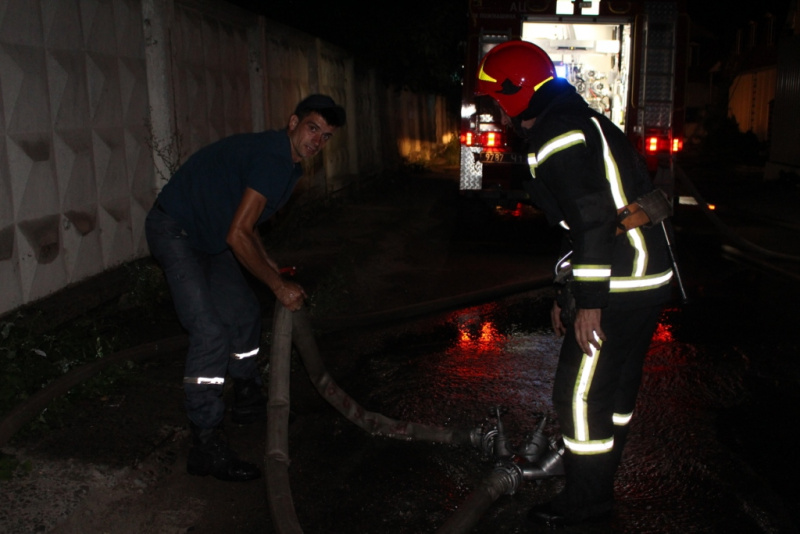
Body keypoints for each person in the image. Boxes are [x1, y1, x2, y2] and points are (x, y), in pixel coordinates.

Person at [475, 41, 674, 526]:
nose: (496, 113)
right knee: (616, 390)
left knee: (579, 398)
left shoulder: (557, 134)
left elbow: (589, 219)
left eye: (497, 102)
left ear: (514, 96)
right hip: (648, 279)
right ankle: (598, 484)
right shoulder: (585, 120)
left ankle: (586, 506)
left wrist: (588, 303)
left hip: (618, 286)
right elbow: (594, 219)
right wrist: (567, 292)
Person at [145, 94, 346, 482]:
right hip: (175, 231)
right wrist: (277, 285)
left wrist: (268, 263)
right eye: (312, 128)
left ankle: (248, 396)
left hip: (211, 237)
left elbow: (244, 222)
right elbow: (239, 234)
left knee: (243, 312)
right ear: (292, 123)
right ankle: (205, 443)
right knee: (209, 333)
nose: (317, 140)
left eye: (326, 135)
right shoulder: (273, 158)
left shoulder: (288, 164)